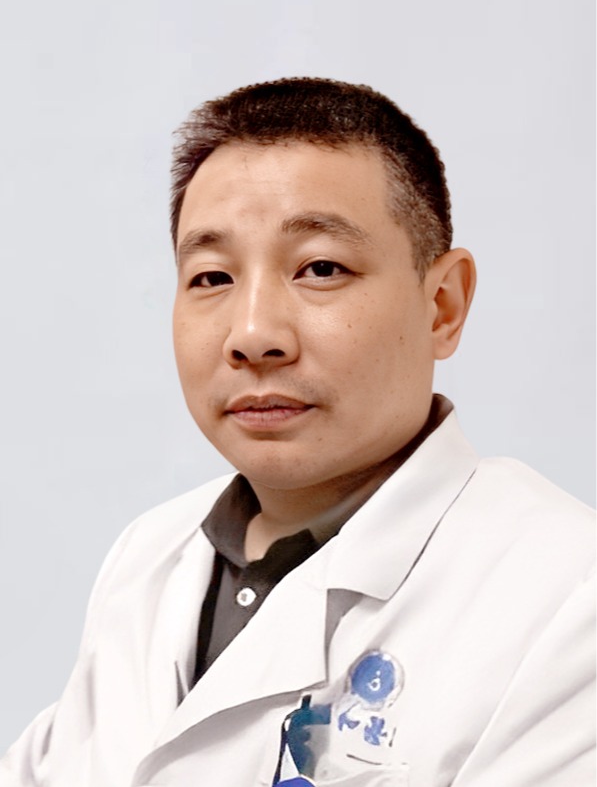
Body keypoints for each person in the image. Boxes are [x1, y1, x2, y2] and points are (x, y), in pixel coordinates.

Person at [1, 78, 594, 787]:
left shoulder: (566, 597)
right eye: (211, 277)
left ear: (441, 305)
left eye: (320, 268)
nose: (253, 335)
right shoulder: (148, 559)